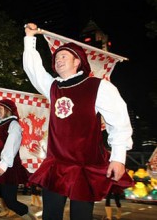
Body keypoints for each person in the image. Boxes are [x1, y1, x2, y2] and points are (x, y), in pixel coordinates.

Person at [23, 23, 133, 220]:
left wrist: (118, 158)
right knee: (50, 216)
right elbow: (34, 71)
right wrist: (30, 38)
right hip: (56, 166)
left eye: (63, 56)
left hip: (85, 167)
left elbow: (119, 122)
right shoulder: (54, 87)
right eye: (56, 58)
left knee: (81, 217)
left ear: (78, 61)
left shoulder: (98, 87)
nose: (58, 60)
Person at [0, 84, 36, 220]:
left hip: (7, 169)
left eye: (0, 109)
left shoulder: (14, 125)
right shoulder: (0, 124)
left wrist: (3, 164)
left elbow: (12, 145)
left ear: (8, 110)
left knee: (11, 202)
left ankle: (30, 217)